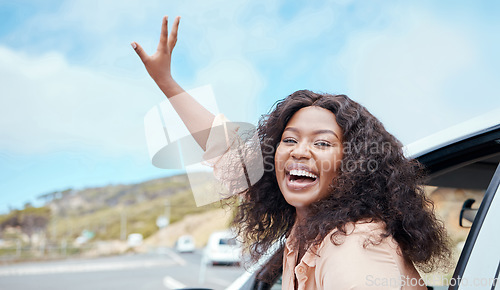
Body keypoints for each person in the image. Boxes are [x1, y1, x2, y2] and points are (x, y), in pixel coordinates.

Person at [132, 16, 451, 289]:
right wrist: (166, 82)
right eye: (289, 140)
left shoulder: (355, 248)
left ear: (353, 165)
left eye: (322, 143)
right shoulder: (309, 225)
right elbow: (226, 149)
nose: (300, 151)